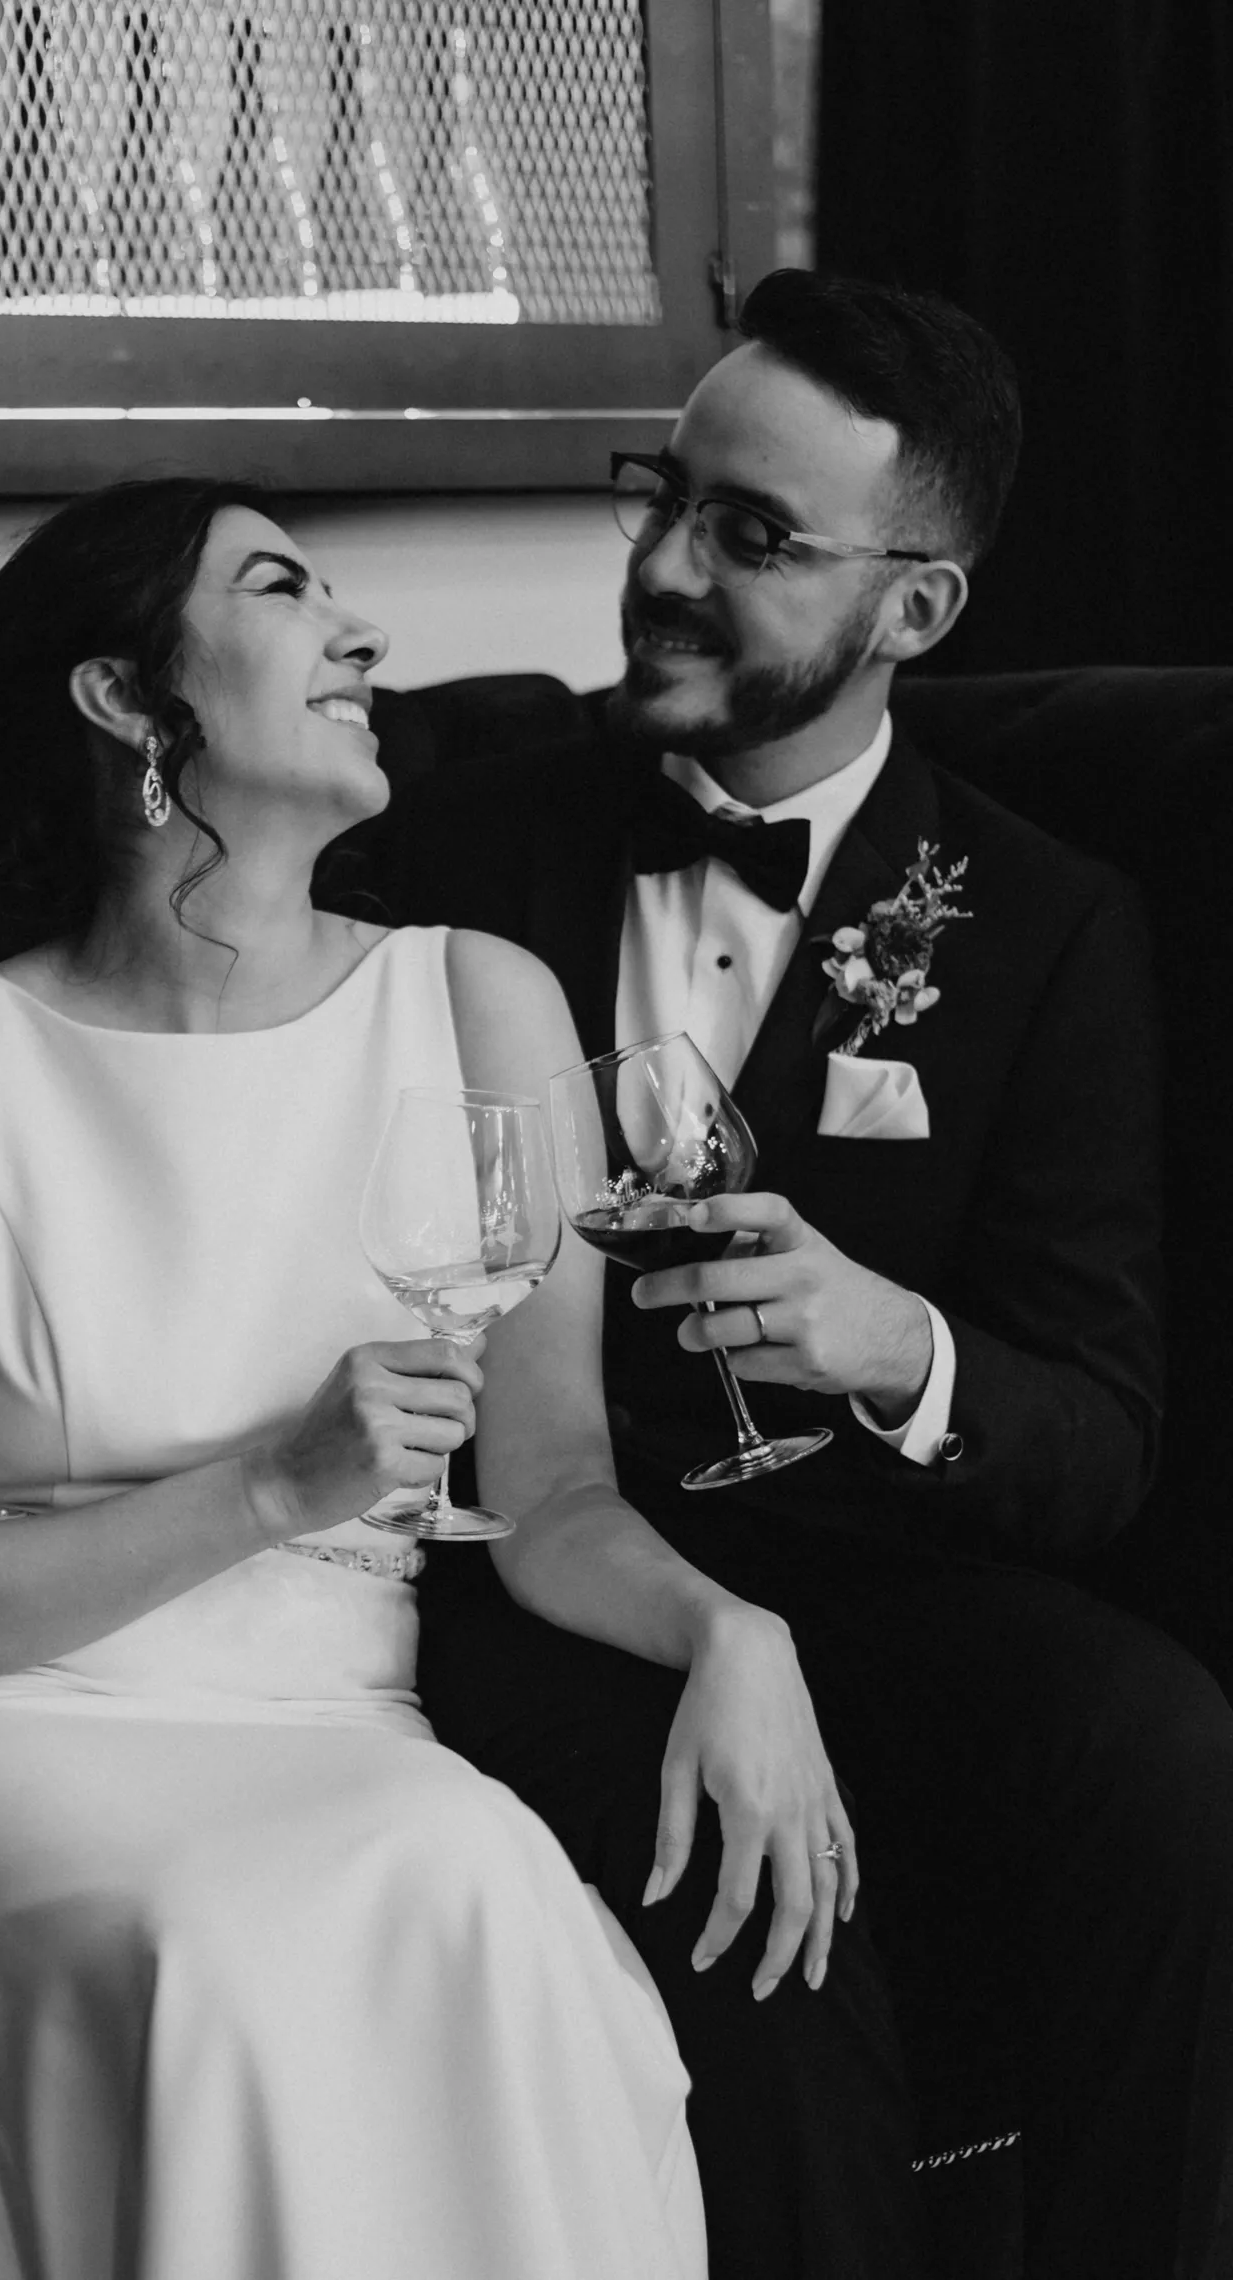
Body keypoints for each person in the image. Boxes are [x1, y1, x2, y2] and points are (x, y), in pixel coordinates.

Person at [0, 478, 713, 2280]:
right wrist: (276, 1484)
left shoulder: (482, 1004)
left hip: (333, 1722)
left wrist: (732, 1634)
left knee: (489, 1901)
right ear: (127, 699)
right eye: (285, 589)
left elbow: (558, 1487)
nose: (363, 634)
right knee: (216, 1936)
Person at [378, 269, 1233, 2280]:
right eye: (660, 497)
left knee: (1166, 1752)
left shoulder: (1037, 923)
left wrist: (896, 1343)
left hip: (874, 1564)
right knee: (762, 1913)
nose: (664, 566)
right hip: (547, 1580)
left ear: (911, 609)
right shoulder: (443, 852)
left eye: (749, 537)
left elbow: (1093, 1437)